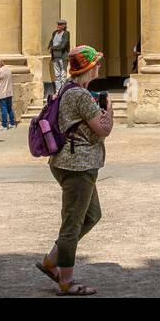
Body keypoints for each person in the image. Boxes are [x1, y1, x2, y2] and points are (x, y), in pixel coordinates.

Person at [36, 45, 114, 297]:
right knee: (72, 224)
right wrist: (109, 112)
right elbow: (103, 130)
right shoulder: (79, 95)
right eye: (97, 64)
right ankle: (66, 282)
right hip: (78, 165)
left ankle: (51, 261)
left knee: (92, 215)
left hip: (72, 163)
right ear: (89, 68)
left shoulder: (67, 90)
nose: (100, 67)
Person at [44, 19, 70, 98]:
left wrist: (52, 48)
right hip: (55, 57)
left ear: (64, 26)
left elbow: (63, 45)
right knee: (57, 75)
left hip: (62, 57)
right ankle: (58, 92)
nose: (58, 26)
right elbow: (51, 42)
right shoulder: (54, 33)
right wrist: (49, 47)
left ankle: (64, 91)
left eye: (60, 25)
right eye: (58, 24)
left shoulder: (66, 33)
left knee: (63, 75)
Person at [0, 58, 16, 130]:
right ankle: (12, 123)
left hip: (2, 92)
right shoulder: (7, 69)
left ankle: (4, 125)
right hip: (9, 92)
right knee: (9, 108)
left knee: (3, 109)